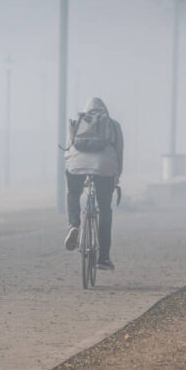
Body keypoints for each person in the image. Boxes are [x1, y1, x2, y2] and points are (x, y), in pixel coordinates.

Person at [63, 97, 123, 271]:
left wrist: (72, 169)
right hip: (104, 166)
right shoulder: (112, 125)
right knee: (104, 208)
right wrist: (117, 175)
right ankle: (103, 257)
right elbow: (119, 152)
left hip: (76, 164)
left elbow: (69, 148)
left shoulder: (78, 122)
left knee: (73, 194)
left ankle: (74, 225)